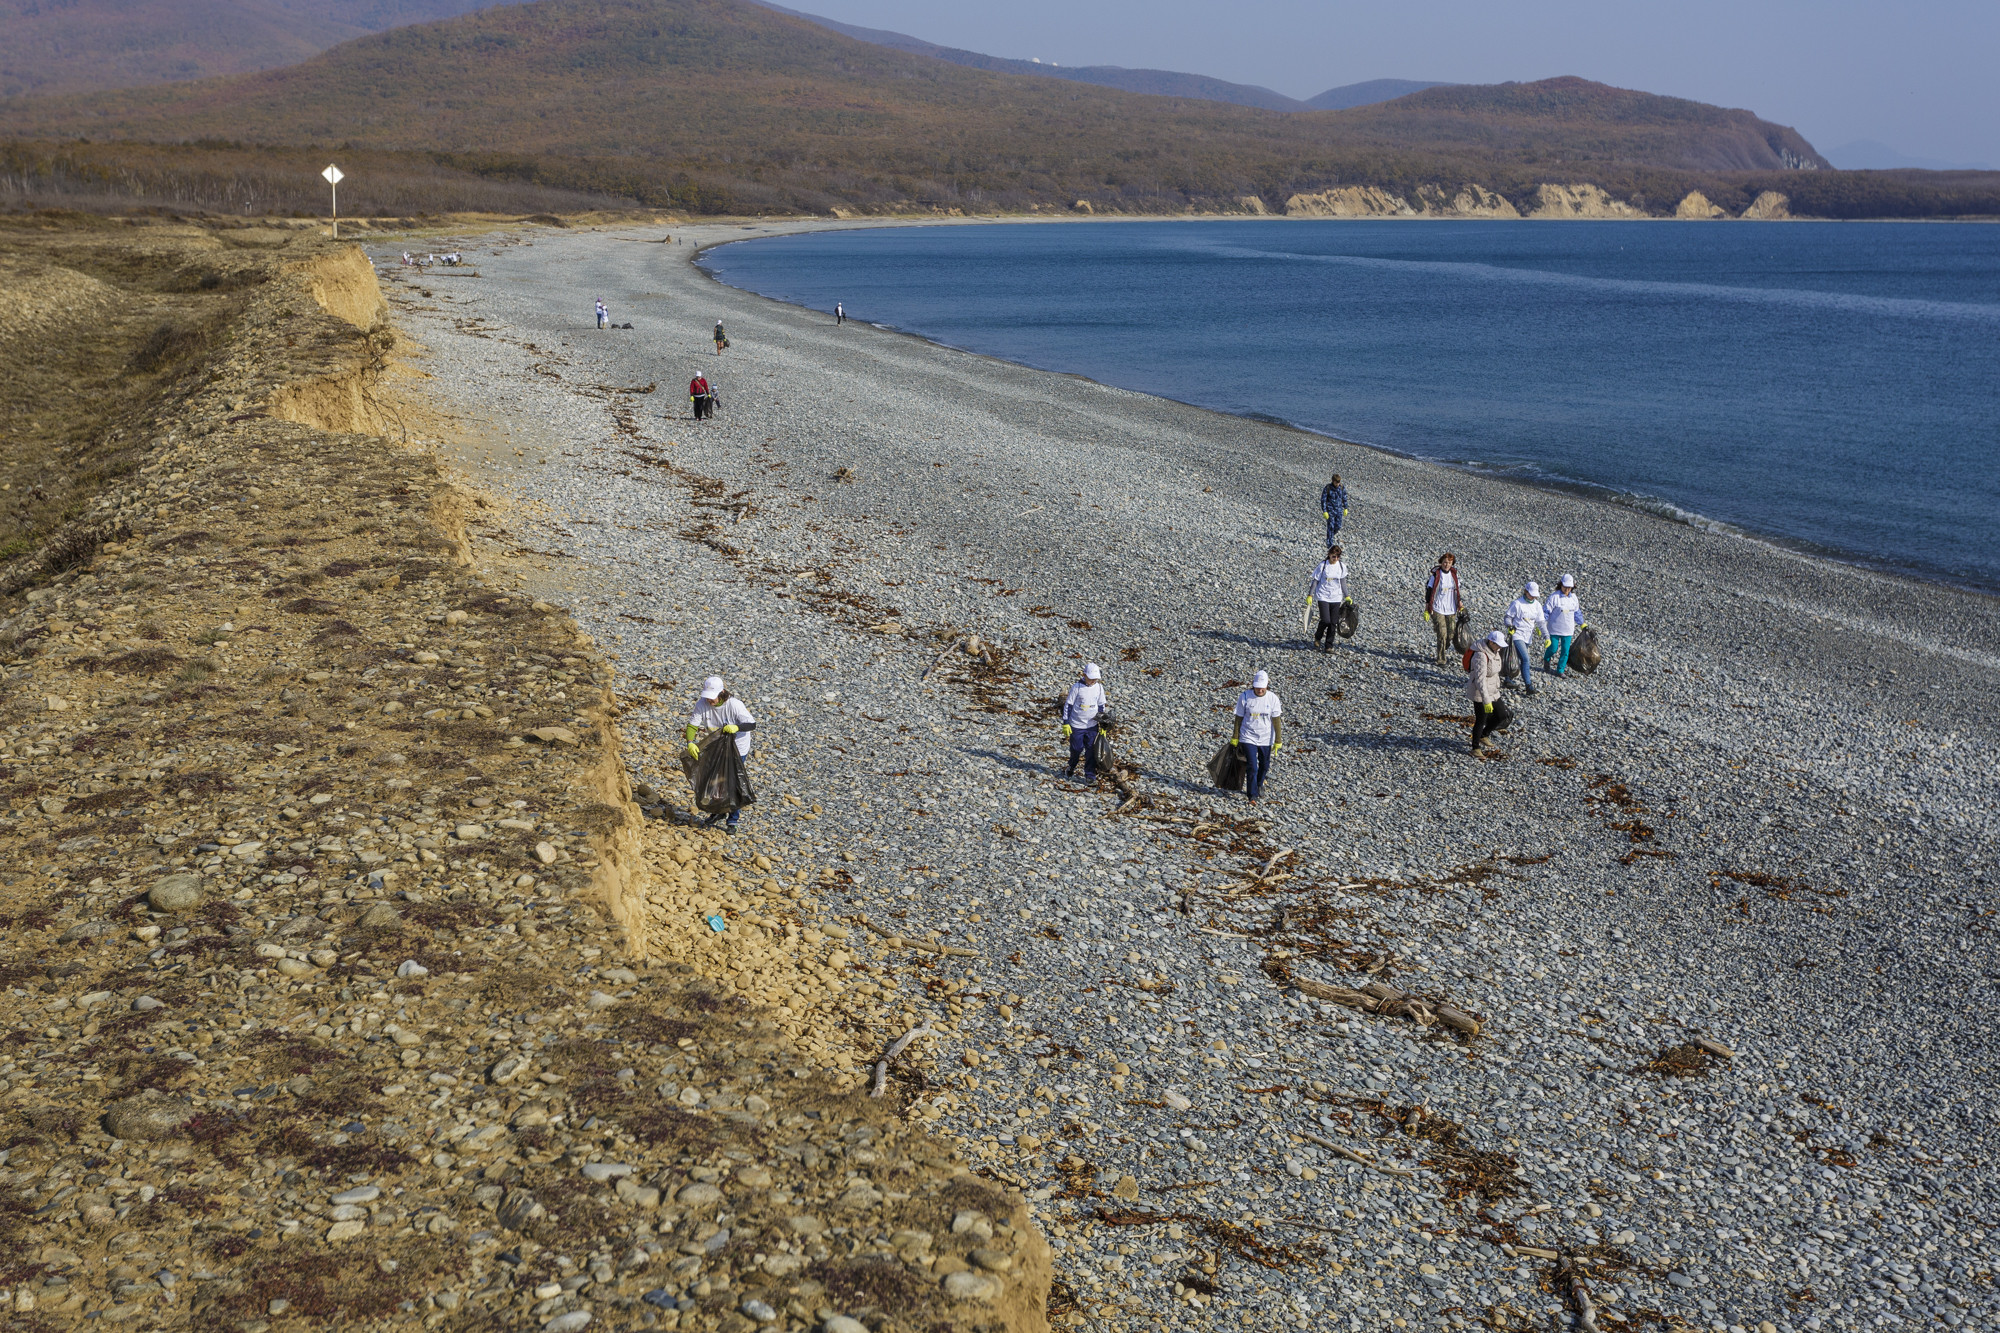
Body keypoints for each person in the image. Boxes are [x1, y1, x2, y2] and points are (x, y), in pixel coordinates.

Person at [686, 675, 756, 831]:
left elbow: (752, 724)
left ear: (722, 693)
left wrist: (737, 727)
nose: (710, 700)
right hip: (717, 746)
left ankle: (733, 820)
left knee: (732, 782)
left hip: (737, 748)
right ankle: (718, 811)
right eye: (708, 697)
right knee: (714, 780)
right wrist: (690, 743)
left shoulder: (734, 705)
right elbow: (692, 726)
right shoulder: (702, 704)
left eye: (712, 697)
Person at [1231, 670, 1284, 803]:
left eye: (1262, 687)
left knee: (1264, 765)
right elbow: (1239, 717)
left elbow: (1276, 720)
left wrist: (1278, 740)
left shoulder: (1273, 698)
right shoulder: (1245, 696)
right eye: (1257, 687)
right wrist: (1235, 736)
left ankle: (1259, 784)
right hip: (1248, 736)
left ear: (1266, 685)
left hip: (1266, 737)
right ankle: (1252, 795)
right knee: (1252, 766)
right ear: (1253, 685)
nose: (1260, 690)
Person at [1059, 662, 1109, 782]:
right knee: (1076, 749)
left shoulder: (1099, 687)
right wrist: (1066, 723)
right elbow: (1068, 705)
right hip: (1077, 725)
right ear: (1084, 675)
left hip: (1092, 725)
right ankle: (1072, 765)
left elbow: (1101, 705)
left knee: (1091, 750)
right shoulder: (1077, 687)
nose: (1093, 681)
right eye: (1091, 678)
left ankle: (1090, 775)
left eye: (1095, 679)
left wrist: (1103, 724)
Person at [1504, 580, 1547, 695]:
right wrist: (1510, 626)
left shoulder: (1537, 605)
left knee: (1517, 658)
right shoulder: (1517, 604)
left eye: (1534, 595)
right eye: (1530, 594)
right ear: (1526, 592)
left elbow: (1541, 622)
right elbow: (1508, 617)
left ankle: (1507, 678)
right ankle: (1529, 686)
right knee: (1525, 659)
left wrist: (1546, 636)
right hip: (1517, 634)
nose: (1532, 597)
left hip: (1528, 636)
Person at [1467, 630, 1506, 756]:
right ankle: (1475, 748)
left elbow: (1495, 672)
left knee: (1502, 715)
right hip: (1480, 692)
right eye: (1498, 645)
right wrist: (1486, 700)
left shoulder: (1495, 651)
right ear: (1491, 642)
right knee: (1481, 719)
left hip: (1493, 690)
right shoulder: (1480, 655)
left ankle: (1484, 735)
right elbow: (1480, 680)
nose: (1500, 647)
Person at [1424, 553, 1465, 667]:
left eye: (1449, 563)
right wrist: (1427, 607)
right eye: (1445, 562)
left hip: (1451, 608)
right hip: (1437, 608)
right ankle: (1441, 659)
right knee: (1442, 633)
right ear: (1441, 563)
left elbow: (1457, 591)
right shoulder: (1436, 575)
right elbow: (1429, 591)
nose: (1447, 565)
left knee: (1450, 634)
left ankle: (1443, 646)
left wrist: (1460, 604)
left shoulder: (1454, 575)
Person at [1307, 545, 1349, 653]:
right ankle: (1318, 636)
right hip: (1323, 595)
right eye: (1334, 556)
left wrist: (1347, 596)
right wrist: (1310, 595)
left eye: (1338, 556)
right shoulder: (1323, 565)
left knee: (1333, 623)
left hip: (1336, 597)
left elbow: (1343, 582)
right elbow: (1315, 581)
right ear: (1329, 555)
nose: (1336, 558)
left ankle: (1328, 645)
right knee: (1326, 620)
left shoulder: (1341, 566)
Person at [1542, 575, 1582, 677]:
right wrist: (1542, 623)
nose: (1567, 589)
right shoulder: (1554, 597)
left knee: (1565, 651)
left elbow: (1577, 612)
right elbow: (1546, 611)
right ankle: (1546, 659)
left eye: (1569, 587)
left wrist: (1582, 623)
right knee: (1553, 648)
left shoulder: (1574, 598)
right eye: (1565, 587)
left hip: (1568, 629)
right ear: (1561, 585)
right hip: (1554, 629)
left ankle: (1560, 670)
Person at [1319, 472, 1347, 549]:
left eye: (1339, 482)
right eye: (1336, 482)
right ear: (1333, 481)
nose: (1338, 484)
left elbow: (1344, 498)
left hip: (1339, 511)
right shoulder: (1328, 488)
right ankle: (1329, 544)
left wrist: (1345, 508)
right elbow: (1323, 500)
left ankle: (1330, 536)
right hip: (1330, 511)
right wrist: (1324, 511)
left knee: (1338, 526)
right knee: (1330, 527)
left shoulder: (1341, 487)